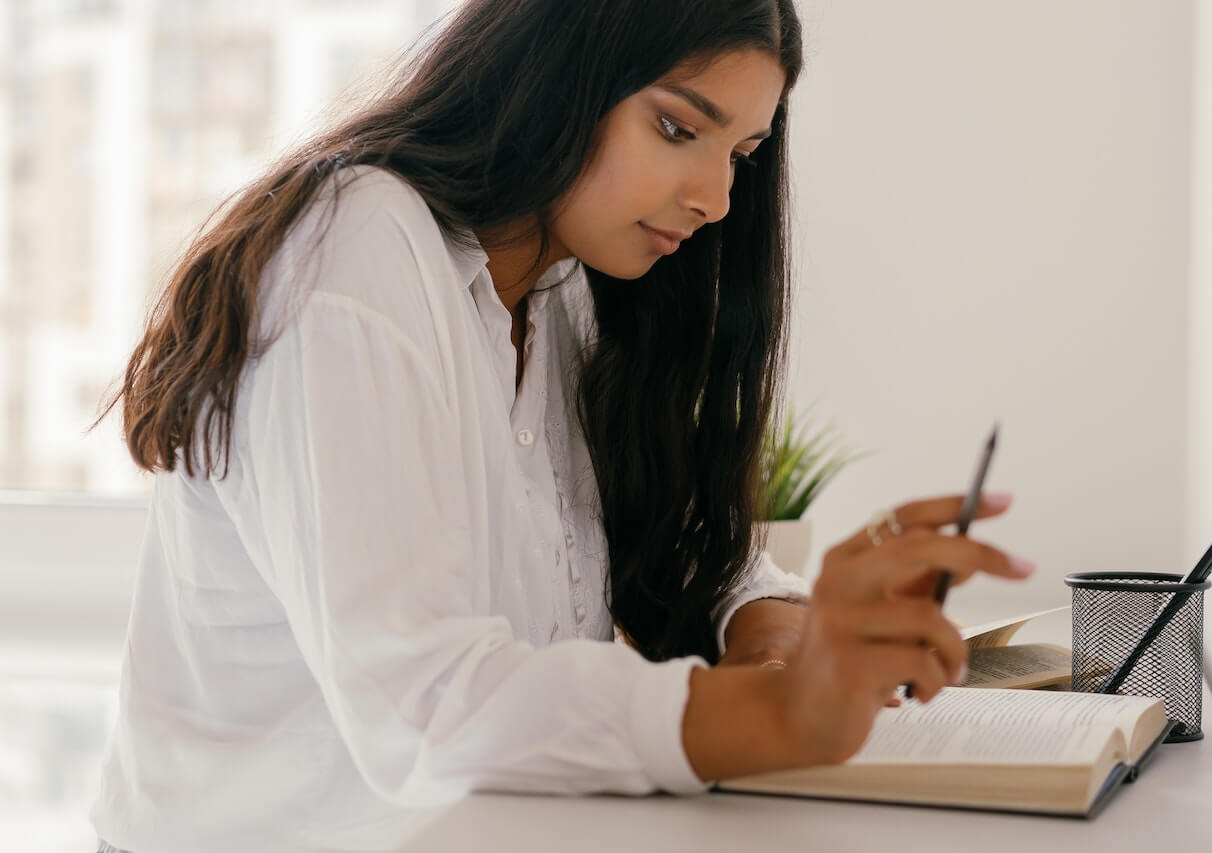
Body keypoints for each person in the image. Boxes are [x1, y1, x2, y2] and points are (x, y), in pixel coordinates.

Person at [89, 0, 1034, 850]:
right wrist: (778, 712)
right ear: (556, 70)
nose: (717, 200)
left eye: (740, 156)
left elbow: (689, 548)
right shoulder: (356, 248)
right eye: (676, 127)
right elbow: (424, 709)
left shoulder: (562, 288)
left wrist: (776, 628)